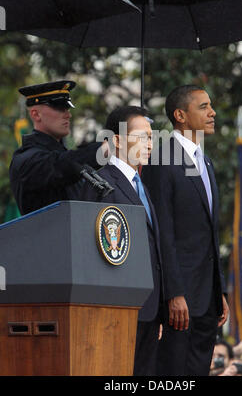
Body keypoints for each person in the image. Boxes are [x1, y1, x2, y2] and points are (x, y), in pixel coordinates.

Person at [142, 85, 229, 376]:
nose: (212, 112)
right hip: (179, 300)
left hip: (207, 297)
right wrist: (174, 292)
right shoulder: (162, 157)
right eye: (203, 106)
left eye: (210, 105)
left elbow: (208, 234)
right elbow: (162, 231)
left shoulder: (205, 161)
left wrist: (220, 289)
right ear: (180, 115)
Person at [81, 105, 163, 376]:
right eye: (142, 137)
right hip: (118, 309)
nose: (149, 144)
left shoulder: (141, 184)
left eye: (152, 138)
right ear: (116, 140)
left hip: (149, 309)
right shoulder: (101, 183)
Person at [9, 80, 105, 215]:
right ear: (36, 114)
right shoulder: (26, 159)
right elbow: (62, 165)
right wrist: (105, 149)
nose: (68, 114)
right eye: (59, 108)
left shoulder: (63, 154)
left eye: (67, 108)